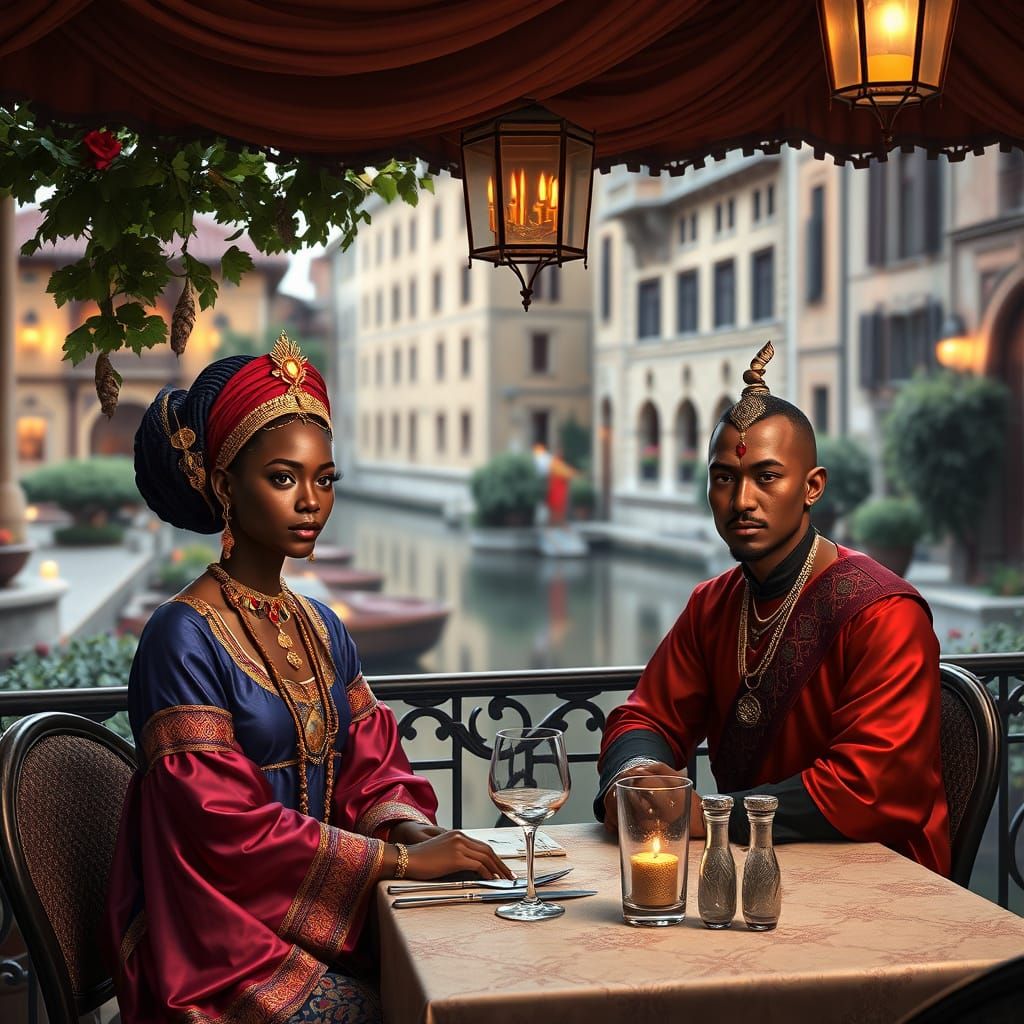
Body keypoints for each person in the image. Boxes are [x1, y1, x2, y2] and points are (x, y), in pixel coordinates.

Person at [103, 335, 513, 1023]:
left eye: (324, 479)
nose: (311, 502)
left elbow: (373, 768)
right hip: (216, 945)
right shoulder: (179, 637)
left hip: (323, 914)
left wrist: (410, 832)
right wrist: (404, 868)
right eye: (283, 477)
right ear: (226, 486)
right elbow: (219, 831)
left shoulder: (322, 626)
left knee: (487, 978)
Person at [595, 341, 950, 877]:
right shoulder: (712, 605)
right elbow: (646, 715)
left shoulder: (884, 612)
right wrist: (638, 778)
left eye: (766, 477)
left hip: (883, 876)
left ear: (812, 487)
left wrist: (710, 816)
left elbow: (873, 786)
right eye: (724, 478)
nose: (741, 501)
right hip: (748, 867)